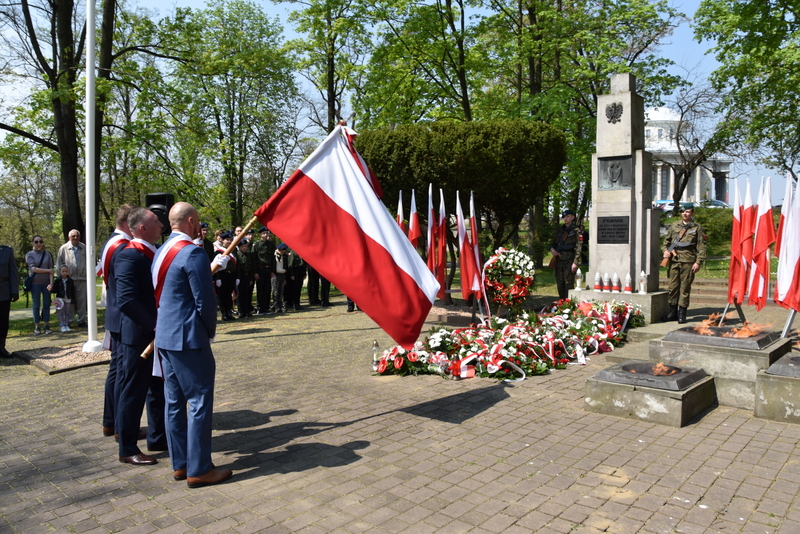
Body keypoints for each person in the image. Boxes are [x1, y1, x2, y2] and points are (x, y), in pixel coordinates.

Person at [153, 201, 232, 488]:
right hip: (188, 338)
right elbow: (205, 300)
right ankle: (199, 468)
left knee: (174, 402)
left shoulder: (161, 251)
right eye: (197, 221)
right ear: (190, 222)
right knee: (199, 401)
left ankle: (181, 463)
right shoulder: (193, 253)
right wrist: (208, 332)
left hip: (165, 336)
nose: (200, 226)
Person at [113, 207, 167, 466]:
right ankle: (127, 448)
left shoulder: (153, 251)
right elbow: (126, 300)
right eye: (156, 221)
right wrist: (153, 325)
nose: (161, 224)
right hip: (139, 336)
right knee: (133, 391)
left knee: (157, 387)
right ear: (143, 228)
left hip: (154, 332)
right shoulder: (129, 256)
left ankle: (158, 437)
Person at [99, 204, 135, 438]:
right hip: (122, 317)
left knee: (116, 371)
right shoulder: (121, 246)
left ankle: (111, 422)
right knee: (122, 372)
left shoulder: (112, 242)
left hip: (115, 314)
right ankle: (120, 428)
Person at [662, 204, 706, 324]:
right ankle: (672, 313)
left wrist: (698, 262)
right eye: (683, 212)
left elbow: (701, 247)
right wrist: (666, 251)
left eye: (687, 212)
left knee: (684, 288)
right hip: (674, 261)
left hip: (688, 261)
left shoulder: (697, 227)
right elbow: (666, 242)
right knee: (672, 287)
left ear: (692, 213)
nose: (684, 214)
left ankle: (682, 313)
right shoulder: (675, 225)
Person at [55, 229, 87, 327]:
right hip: (69, 280)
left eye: (77, 236)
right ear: (69, 237)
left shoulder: (84, 247)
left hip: (82, 279)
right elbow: (58, 264)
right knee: (69, 301)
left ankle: (81, 320)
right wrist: (61, 278)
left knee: (82, 301)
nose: (75, 238)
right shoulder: (63, 248)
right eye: (73, 236)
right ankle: (68, 320)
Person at [550, 209, 583, 300]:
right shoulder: (559, 230)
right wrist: (552, 250)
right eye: (564, 217)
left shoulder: (576, 230)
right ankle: (561, 301)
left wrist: (575, 262)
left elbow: (579, 247)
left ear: (572, 217)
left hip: (569, 259)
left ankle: (569, 301)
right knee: (560, 281)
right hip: (558, 259)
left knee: (568, 282)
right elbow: (552, 243)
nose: (566, 219)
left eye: (568, 216)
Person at [25, 235, 54, 335]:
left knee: (46, 304)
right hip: (35, 283)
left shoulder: (47, 254)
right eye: (36, 242)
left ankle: (46, 325)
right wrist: (48, 270)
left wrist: (51, 283)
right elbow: (33, 269)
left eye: (40, 242)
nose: (38, 244)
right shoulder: (29, 254)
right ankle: (37, 327)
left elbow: (52, 270)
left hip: (46, 283)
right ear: (32, 243)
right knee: (36, 305)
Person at [0, 243, 19, 358]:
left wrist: (14, 291)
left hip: (4, 291)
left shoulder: (7, 251)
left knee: (3, 322)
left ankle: (1, 347)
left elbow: (13, 272)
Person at [213, 231, 237, 321]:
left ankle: (229, 312)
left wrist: (236, 277)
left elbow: (236, 265)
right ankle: (224, 313)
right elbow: (216, 266)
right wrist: (218, 278)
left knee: (229, 295)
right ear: (222, 241)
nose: (229, 241)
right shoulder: (218, 252)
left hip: (231, 276)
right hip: (222, 275)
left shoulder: (233, 251)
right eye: (227, 239)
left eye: (230, 240)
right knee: (222, 296)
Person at [253, 226, 275, 315]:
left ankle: (266, 307)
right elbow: (253, 259)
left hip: (268, 268)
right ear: (260, 235)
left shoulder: (271, 245)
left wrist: (272, 270)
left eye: (267, 233)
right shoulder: (257, 244)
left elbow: (273, 259)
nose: (265, 235)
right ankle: (260, 308)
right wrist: (255, 272)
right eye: (264, 233)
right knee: (260, 289)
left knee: (267, 288)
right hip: (260, 268)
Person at [234, 239, 256, 318]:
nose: (244, 248)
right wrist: (237, 278)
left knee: (247, 294)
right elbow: (237, 268)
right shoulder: (237, 255)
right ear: (239, 247)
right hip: (240, 277)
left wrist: (251, 278)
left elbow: (251, 267)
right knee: (240, 295)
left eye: (245, 246)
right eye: (242, 246)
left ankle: (246, 310)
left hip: (247, 276)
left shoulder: (249, 255)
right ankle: (240, 311)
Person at [51, 265, 75, 332]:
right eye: (63, 271)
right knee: (60, 312)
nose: (65, 273)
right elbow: (55, 290)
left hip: (68, 298)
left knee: (67, 312)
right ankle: (62, 325)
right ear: (60, 272)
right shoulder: (58, 280)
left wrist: (73, 300)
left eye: (66, 271)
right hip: (60, 299)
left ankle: (67, 324)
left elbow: (73, 291)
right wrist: (50, 289)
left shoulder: (70, 281)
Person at [271, 243, 290, 313]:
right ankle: (276, 306)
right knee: (275, 291)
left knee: (281, 291)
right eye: (282, 251)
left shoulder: (284, 257)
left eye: (284, 251)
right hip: (275, 275)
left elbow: (285, 266)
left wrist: (284, 278)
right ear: (279, 250)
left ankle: (281, 305)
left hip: (282, 275)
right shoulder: (273, 256)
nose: (283, 253)